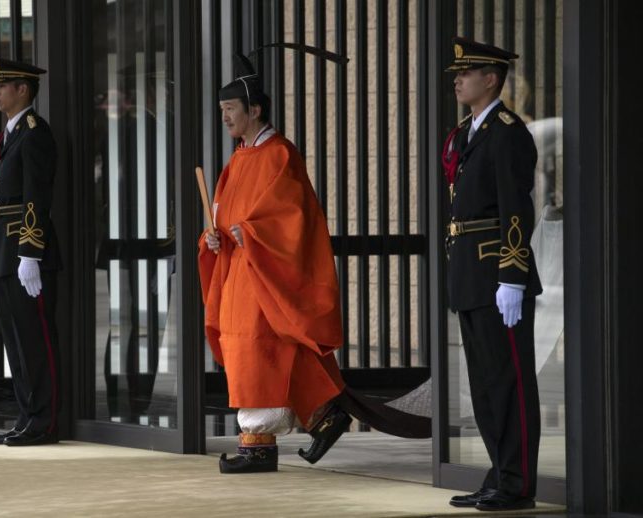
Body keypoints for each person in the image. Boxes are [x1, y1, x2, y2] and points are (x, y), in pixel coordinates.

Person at [198, 52, 430, 474]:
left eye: (230, 110)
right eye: (222, 111)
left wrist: (251, 233)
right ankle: (319, 417)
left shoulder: (279, 154)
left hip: (263, 274)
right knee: (254, 352)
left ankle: (264, 443)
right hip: (239, 273)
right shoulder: (237, 160)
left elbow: (291, 218)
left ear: (255, 109)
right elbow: (222, 214)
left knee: (265, 352)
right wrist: (212, 237)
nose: (226, 118)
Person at [442, 37, 542, 511]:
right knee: (484, 386)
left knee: (509, 383)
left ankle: (518, 484)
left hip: (498, 275)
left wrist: (513, 275)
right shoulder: (468, 132)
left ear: (492, 78)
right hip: (470, 274)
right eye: (456, 75)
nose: (457, 80)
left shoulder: (506, 132)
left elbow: (515, 208)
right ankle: (500, 474)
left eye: (466, 73)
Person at [0, 58, 62, 447]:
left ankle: (44, 422)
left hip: (27, 252)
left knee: (35, 340)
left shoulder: (34, 133)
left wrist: (30, 252)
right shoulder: (10, 134)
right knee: (14, 341)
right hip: (5, 250)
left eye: (3, 85)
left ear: (24, 91)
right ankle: (26, 415)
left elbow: (36, 196)